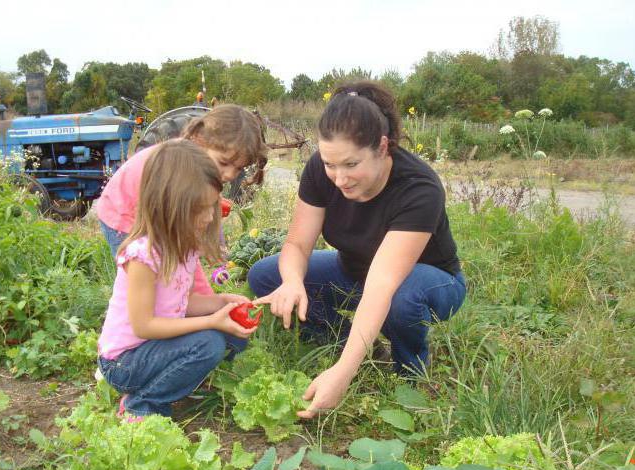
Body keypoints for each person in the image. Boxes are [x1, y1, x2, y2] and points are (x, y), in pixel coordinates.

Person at [248, 81, 466, 419]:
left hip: (429, 283)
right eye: (330, 165)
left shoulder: (418, 188)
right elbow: (297, 244)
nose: (339, 178)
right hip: (355, 273)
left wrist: (344, 376)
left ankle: (410, 372)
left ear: (381, 147)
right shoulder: (323, 171)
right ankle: (355, 346)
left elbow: (382, 284)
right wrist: (292, 281)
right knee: (266, 274)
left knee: (401, 298)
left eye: (351, 165)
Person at [97, 140, 258, 421]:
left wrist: (221, 302)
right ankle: (142, 402)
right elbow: (144, 325)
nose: (209, 217)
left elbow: (182, 303)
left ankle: (179, 379)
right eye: (202, 209)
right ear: (170, 205)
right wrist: (210, 321)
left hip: (154, 348)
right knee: (208, 343)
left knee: (233, 335)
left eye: (213, 207)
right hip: (125, 362)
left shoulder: (184, 244)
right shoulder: (143, 255)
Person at [97, 104, 268, 295]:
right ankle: (135, 319)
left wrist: (207, 299)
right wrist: (206, 299)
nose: (229, 174)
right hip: (122, 211)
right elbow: (186, 247)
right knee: (147, 279)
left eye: (238, 168)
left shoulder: (201, 167)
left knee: (171, 282)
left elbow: (188, 255)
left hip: (148, 207)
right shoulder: (179, 169)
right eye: (224, 163)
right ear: (200, 140)